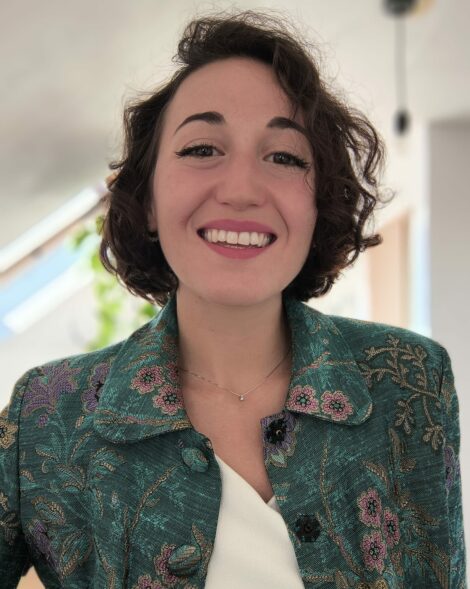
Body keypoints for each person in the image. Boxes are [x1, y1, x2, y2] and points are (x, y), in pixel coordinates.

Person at [0, 11, 465, 589]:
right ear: (148, 199)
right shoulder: (47, 416)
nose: (242, 190)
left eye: (284, 157)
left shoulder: (410, 380)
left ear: (319, 203)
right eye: (202, 148)